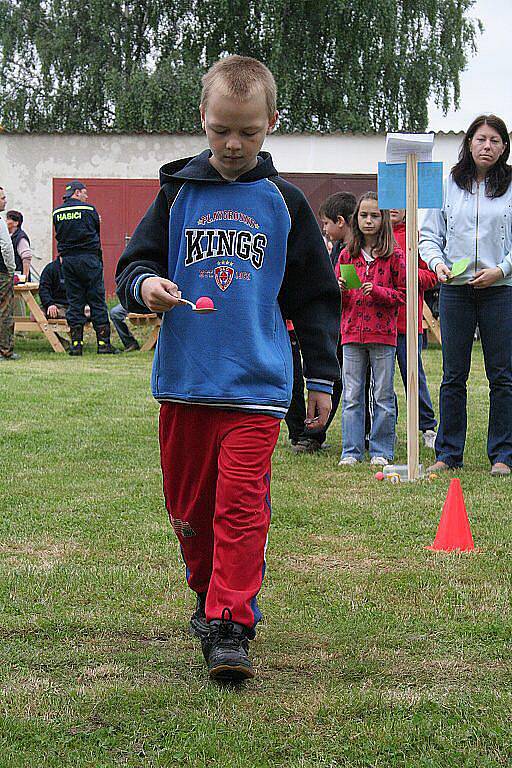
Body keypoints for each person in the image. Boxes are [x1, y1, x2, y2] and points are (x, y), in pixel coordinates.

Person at [116, 55, 340, 681]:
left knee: (241, 505)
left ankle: (231, 624)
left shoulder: (285, 204)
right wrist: (146, 288)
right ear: (203, 121)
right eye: (221, 131)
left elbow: (315, 299)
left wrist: (321, 378)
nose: (234, 144)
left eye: (248, 130)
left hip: (256, 389)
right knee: (191, 512)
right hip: (185, 385)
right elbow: (131, 268)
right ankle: (206, 590)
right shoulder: (176, 195)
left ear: (271, 122)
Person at [420, 114, 512, 476]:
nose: (487, 146)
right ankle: (448, 452)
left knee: (502, 375)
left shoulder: (510, 186)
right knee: (453, 374)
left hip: (500, 290)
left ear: (503, 147)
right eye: (480, 139)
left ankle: (503, 454)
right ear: (468, 143)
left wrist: (501, 271)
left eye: (494, 140)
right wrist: (437, 264)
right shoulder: (447, 186)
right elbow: (429, 235)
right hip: (455, 291)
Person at [337, 192, 405, 466]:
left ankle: (381, 451)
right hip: (352, 333)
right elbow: (341, 301)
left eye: (374, 215)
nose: (368, 221)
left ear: (383, 219)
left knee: (383, 395)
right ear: (356, 219)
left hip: (383, 335)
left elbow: (402, 295)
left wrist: (378, 292)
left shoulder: (394, 256)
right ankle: (351, 451)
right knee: (352, 395)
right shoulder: (346, 255)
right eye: (364, 215)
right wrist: (340, 290)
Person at [287, 192, 356, 453]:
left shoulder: (353, 251)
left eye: (326, 224)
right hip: (330, 324)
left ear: (340, 221)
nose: (324, 230)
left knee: (335, 381)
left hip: (346, 327)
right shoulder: (335, 249)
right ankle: (302, 431)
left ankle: (314, 433)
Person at [52, 180, 119, 355]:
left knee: (75, 301)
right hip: (89, 260)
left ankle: (76, 345)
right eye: (84, 192)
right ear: (77, 192)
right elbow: (96, 229)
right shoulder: (89, 210)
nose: (86, 196)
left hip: (68, 261)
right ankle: (103, 345)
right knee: (96, 300)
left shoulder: (57, 212)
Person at [390, 208, 438, 449]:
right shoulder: (377, 237)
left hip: (408, 322)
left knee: (413, 376)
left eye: (401, 202)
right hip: (380, 325)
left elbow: (432, 277)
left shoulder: (416, 238)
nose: (395, 208)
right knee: (382, 382)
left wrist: (410, 274)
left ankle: (427, 427)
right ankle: (387, 428)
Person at [0, 187, 18, 360]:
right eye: (3, 198)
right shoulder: (0, 223)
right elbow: (6, 247)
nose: (5, 201)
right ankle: (5, 350)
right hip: (1, 272)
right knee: (5, 311)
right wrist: (11, 269)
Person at [6, 210, 32, 281]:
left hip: (18, 277)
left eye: (8, 219)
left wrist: (24, 278)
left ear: (16, 223)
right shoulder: (8, 237)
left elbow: (27, 257)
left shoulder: (20, 237)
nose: (6, 221)